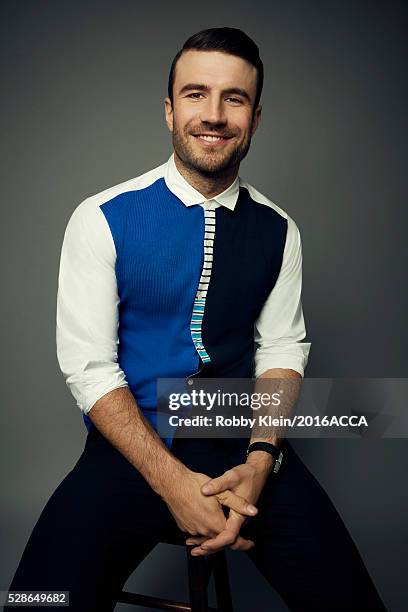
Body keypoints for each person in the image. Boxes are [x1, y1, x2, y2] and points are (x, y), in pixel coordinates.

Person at [6, 27, 387, 612]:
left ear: (255, 118)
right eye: (195, 94)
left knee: (351, 601)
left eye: (234, 99)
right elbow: (89, 369)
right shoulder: (102, 216)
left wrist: (262, 459)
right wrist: (173, 483)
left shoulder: (279, 229)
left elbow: (283, 347)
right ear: (169, 109)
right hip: (131, 448)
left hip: (243, 446)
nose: (213, 115)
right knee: (39, 602)